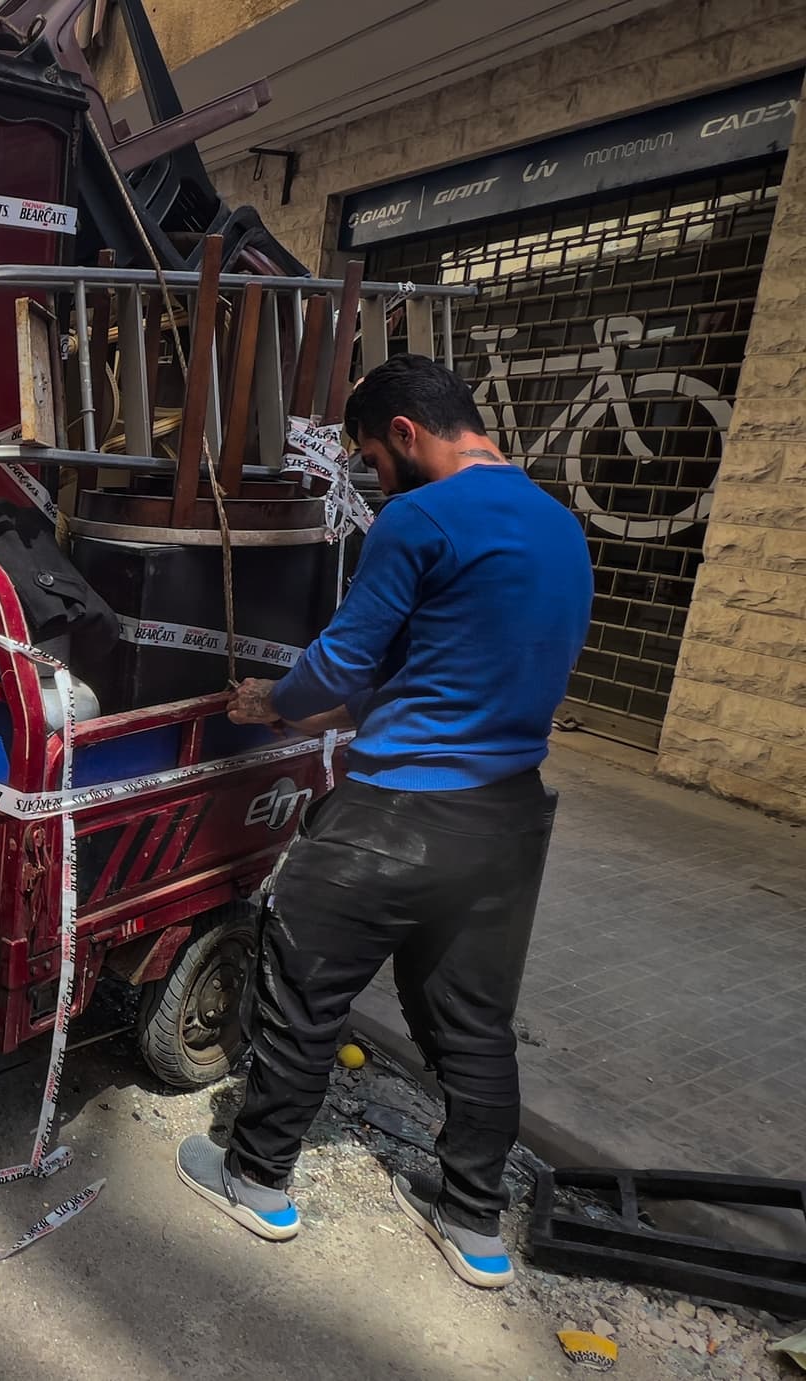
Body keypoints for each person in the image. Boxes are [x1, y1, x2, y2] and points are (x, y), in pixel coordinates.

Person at [174, 354, 592, 1288]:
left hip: (397, 814)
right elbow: (443, 676)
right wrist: (306, 706)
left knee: (304, 984)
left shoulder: (419, 518)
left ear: (404, 434)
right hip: (511, 820)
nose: (372, 478)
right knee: (475, 1024)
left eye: (370, 456)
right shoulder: (561, 527)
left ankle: (256, 1179)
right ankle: (474, 1224)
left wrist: (277, 700)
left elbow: (341, 664)